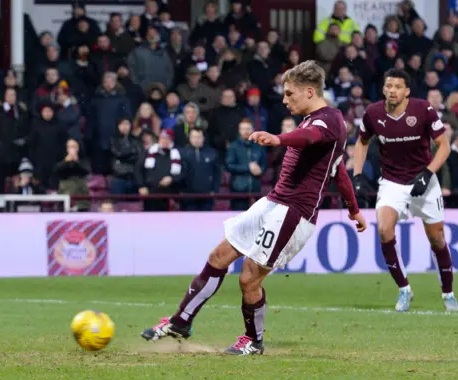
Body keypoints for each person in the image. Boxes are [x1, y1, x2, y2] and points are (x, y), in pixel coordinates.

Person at [140, 60, 367, 355]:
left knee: (249, 277)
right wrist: (353, 209)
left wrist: (279, 139)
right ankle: (181, 321)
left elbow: (308, 139)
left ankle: (254, 340)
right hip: (273, 202)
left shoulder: (329, 121)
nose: (285, 101)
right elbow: (339, 170)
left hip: (294, 212)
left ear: (310, 91)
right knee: (218, 256)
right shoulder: (311, 119)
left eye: (290, 94)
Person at [352, 69, 458, 312]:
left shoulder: (423, 110)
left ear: (407, 91)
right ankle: (404, 289)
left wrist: (429, 173)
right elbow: (361, 141)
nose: (392, 90)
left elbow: (444, 147)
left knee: (437, 239)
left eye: (397, 87)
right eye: (388, 86)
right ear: (383, 89)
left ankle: (448, 293)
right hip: (392, 182)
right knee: (383, 229)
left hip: (424, 180)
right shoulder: (373, 113)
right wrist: (357, 175)